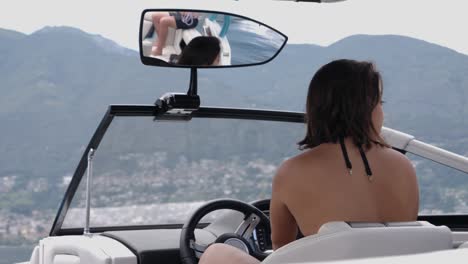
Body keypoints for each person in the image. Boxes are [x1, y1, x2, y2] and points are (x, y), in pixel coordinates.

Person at [199, 59, 419, 264]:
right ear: (364, 109)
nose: (383, 112)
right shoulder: (403, 166)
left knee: (216, 253)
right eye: (380, 103)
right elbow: (404, 238)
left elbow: (282, 249)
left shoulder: (292, 172)